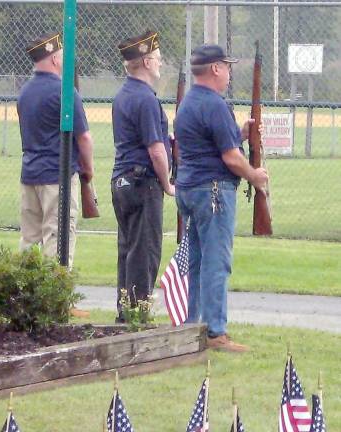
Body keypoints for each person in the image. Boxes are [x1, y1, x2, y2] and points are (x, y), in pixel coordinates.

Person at [175, 44, 269, 352]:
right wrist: (254, 176)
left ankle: (191, 326)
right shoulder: (215, 104)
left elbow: (212, 143)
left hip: (191, 188)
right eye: (226, 66)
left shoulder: (189, 102)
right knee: (217, 263)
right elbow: (229, 157)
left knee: (197, 261)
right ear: (215, 68)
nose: (229, 72)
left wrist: (239, 134)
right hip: (213, 191)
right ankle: (215, 332)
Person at [111, 30, 175, 322]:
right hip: (142, 182)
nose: (161, 63)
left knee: (128, 249)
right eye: (158, 59)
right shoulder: (146, 99)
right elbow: (156, 150)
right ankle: (137, 314)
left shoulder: (124, 94)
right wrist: (167, 183)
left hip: (122, 181)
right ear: (147, 62)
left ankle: (126, 310)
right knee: (145, 251)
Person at [17, 32, 94, 268]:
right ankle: (55, 298)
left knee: (29, 239)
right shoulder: (65, 92)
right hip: (56, 176)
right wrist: (88, 171)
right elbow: (84, 138)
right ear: (54, 59)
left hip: (30, 173)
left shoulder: (25, 93)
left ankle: (24, 295)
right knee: (58, 237)